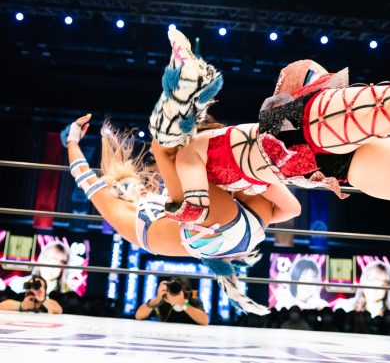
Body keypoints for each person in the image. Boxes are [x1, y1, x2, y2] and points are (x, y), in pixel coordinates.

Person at [61, 115, 301, 315]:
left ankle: (292, 141)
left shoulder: (166, 201)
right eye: (127, 187)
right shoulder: (120, 213)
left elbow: (290, 211)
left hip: (246, 228)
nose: (138, 187)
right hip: (220, 230)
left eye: (137, 183)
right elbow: (84, 177)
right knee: (166, 150)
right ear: (119, 196)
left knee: (243, 170)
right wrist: (72, 141)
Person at [149, 29, 390, 216]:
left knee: (389, 106)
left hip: (296, 146)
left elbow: (196, 209)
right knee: (388, 106)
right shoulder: (223, 165)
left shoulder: (189, 154)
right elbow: (292, 209)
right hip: (300, 147)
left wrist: (170, 209)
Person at [135, 276, 209, 325]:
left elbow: (205, 321)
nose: (176, 293)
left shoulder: (193, 301)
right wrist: (157, 300)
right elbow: (138, 316)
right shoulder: (163, 300)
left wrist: (184, 304)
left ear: (186, 293)